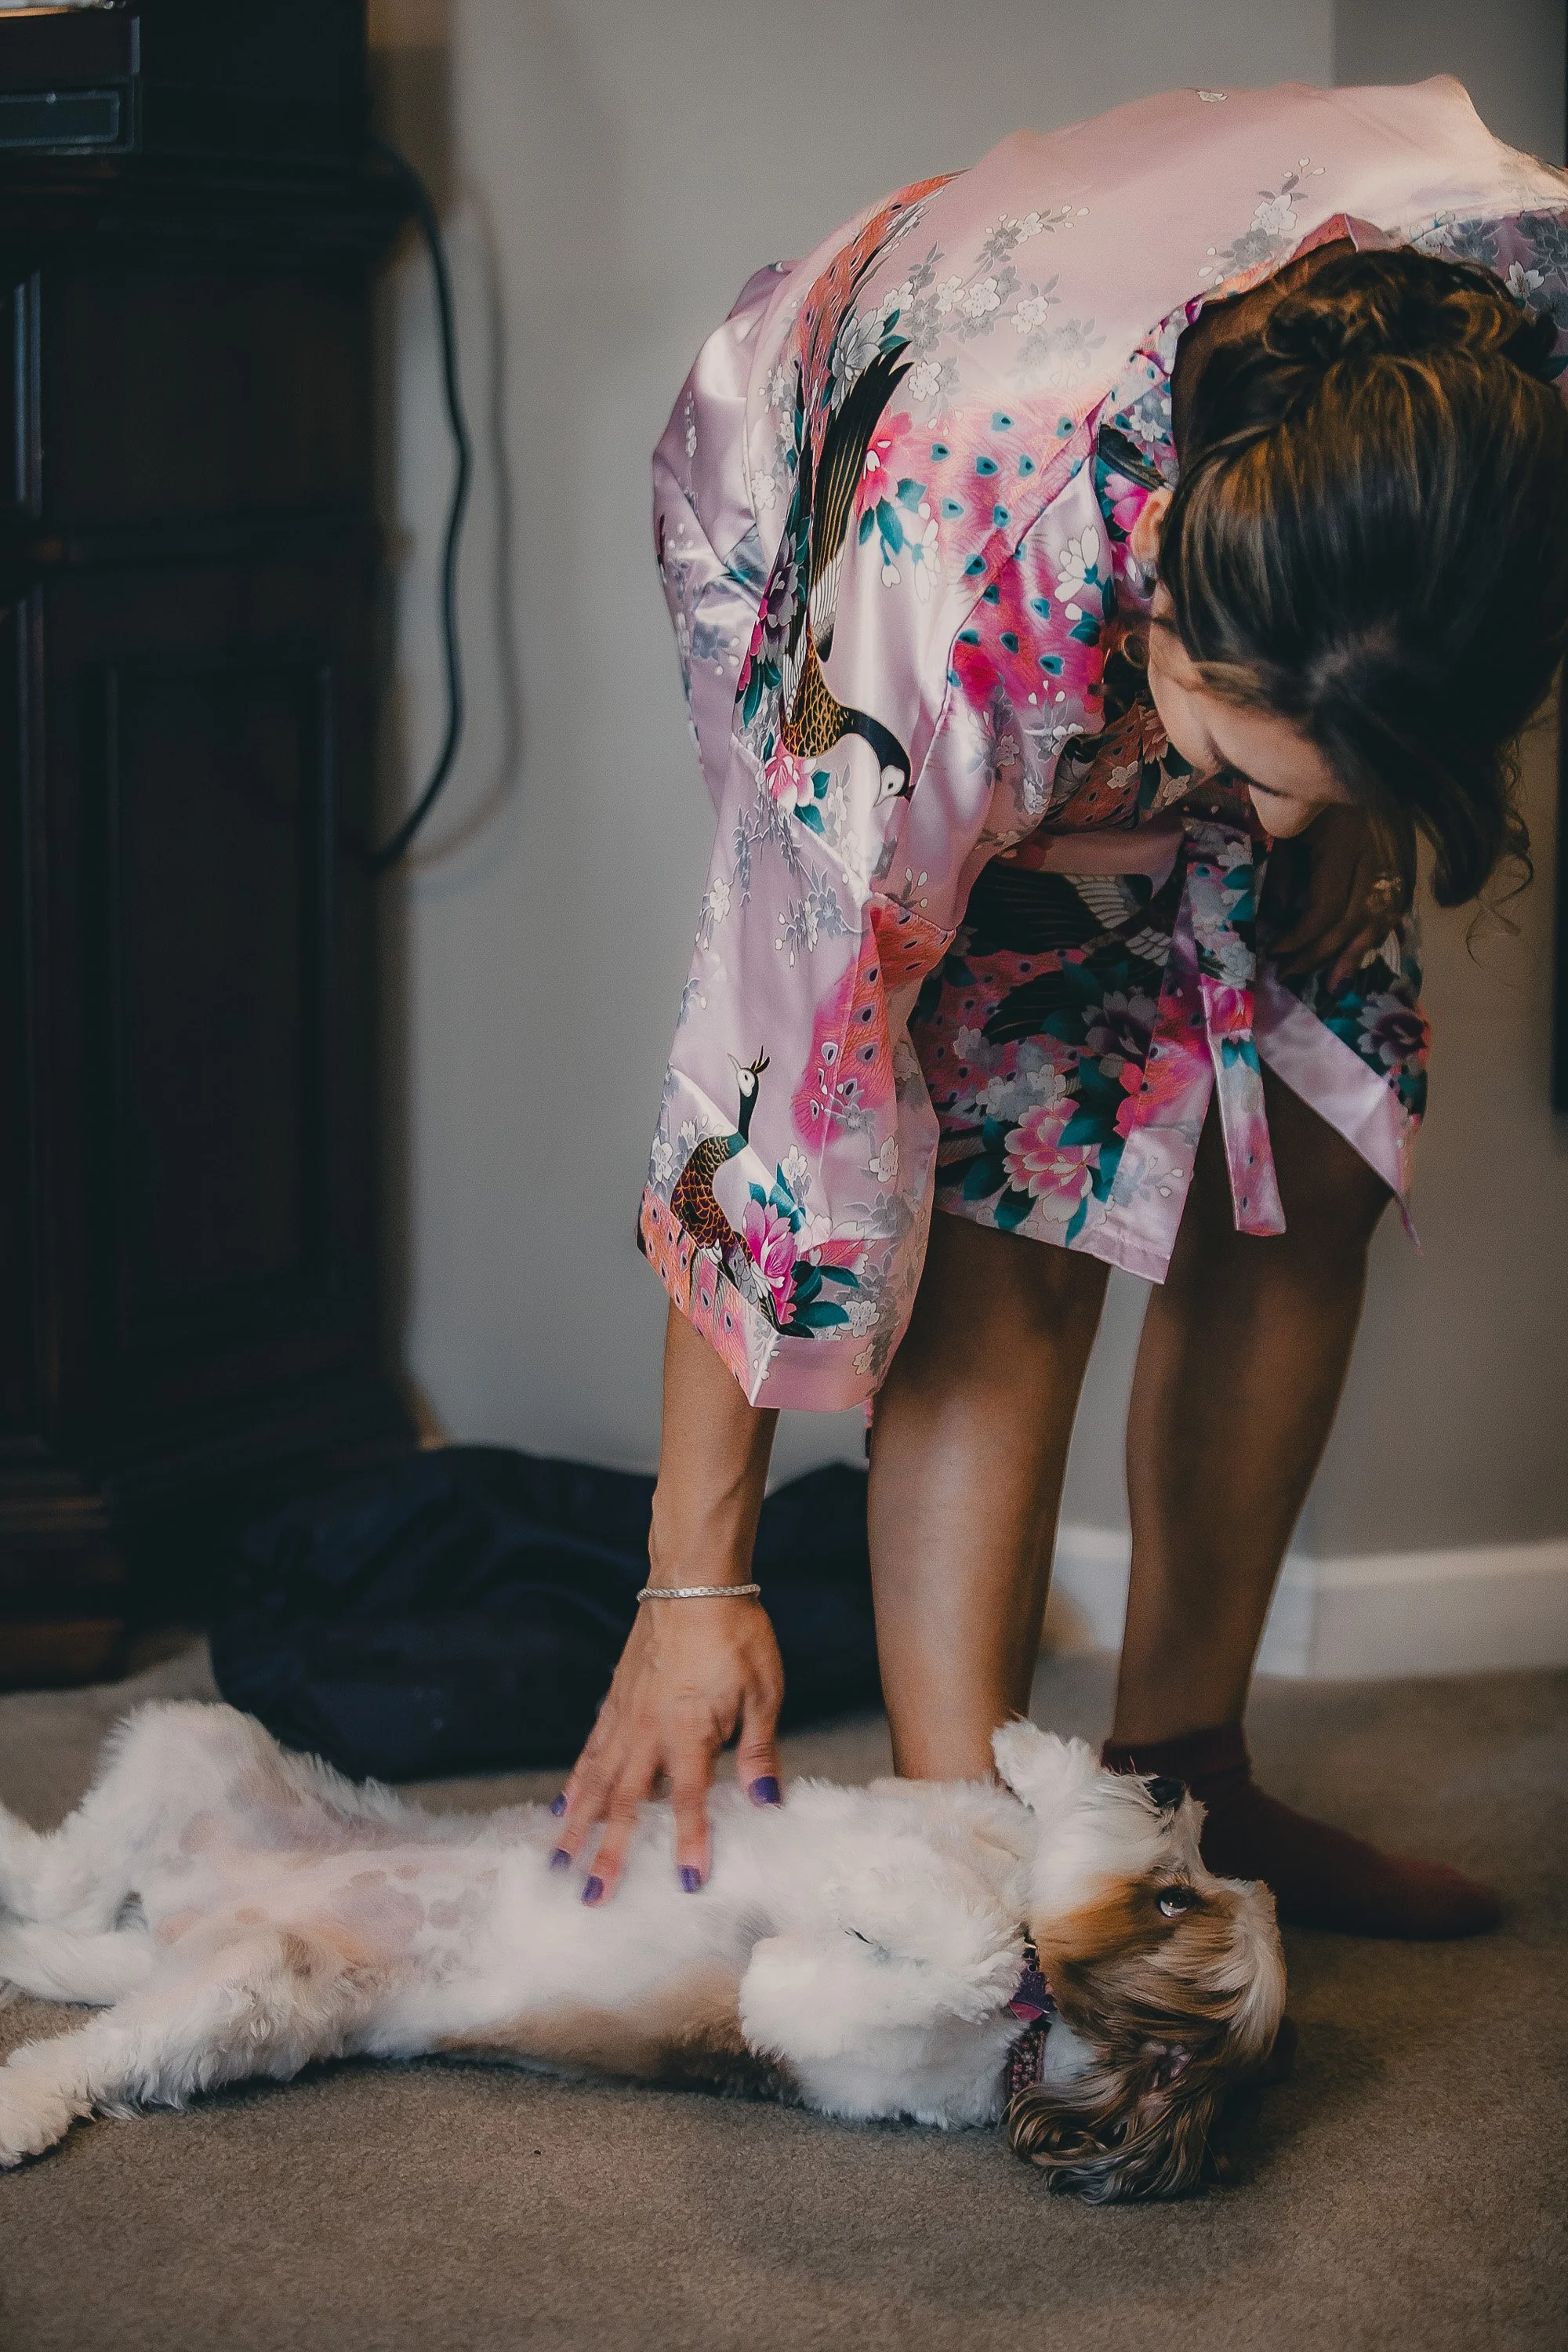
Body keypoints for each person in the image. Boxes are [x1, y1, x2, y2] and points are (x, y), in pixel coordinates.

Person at [549, 79, 1568, 1931]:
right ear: (1156, 625)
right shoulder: (948, 623)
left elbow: (1343, 727)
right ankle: (980, 1870)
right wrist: (693, 1589)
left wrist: (1343, 800)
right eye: (1235, 772)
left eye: (1318, 789)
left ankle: (1195, 1779)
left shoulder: (1522, 328)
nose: (1259, 837)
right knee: (1014, 1206)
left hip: (1315, 590)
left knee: (1314, 1144)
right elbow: (773, 1086)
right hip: (841, 481)